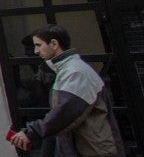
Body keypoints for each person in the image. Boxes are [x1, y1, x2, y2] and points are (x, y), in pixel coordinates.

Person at [9, 24, 125, 156]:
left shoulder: (76, 72)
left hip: (95, 151)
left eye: (38, 45)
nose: (35, 51)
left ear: (54, 43)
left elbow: (65, 112)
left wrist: (32, 132)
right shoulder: (67, 71)